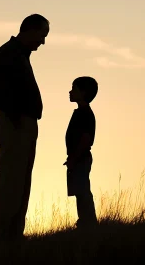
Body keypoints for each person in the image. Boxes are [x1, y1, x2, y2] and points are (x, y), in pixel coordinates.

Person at [0, 14, 50, 242]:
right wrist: (17, 120)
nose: (42, 42)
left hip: (23, 124)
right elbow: (2, 94)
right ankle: (4, 236)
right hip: (16, 124)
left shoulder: (18, 54)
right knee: (11, 181)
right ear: (31, 30)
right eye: (42, 35)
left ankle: (13, 236)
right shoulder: (9, 54)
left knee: (21, 181)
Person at [63, 76, 98, 229]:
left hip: (81, 158)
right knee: (80, 190)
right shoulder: (81, 112)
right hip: (78, 157)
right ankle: (85, 221)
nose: (70, 92)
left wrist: (74, 158)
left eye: (74, 89)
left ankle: (88, 221)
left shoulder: (85, 114)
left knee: (82, 190)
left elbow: (85, 139)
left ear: (83, 92)